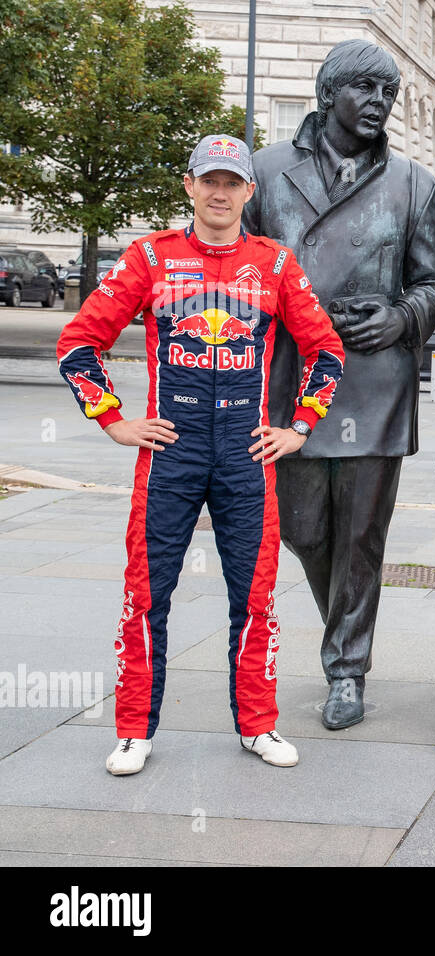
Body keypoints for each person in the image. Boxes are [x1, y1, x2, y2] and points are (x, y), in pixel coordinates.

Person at [57, 134, 345, 775]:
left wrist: (299, 427)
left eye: (232, 182)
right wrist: (111, 419)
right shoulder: (149, 257)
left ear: (249, 191)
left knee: (256, 596)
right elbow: (79, 343)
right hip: (171, 455)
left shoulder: (273, 263)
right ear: (189, 185)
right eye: (208, 180)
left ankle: (258, 725)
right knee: (147, 591)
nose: (220, 192)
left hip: (247, 455)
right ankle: (133, 728)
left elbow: (326, 350)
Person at [243, 40, 435, 730]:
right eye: (365, 88)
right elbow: (235, 272)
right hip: (288, 380)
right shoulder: (266, 173)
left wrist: (400, 318)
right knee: (303, 529)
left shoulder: (413, 182)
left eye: (388, 92)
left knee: (363, 535)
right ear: (328, 92)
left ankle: (345, 669)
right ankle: (344, 634)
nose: (380, 103)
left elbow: (434, 285)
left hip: (373, 380)